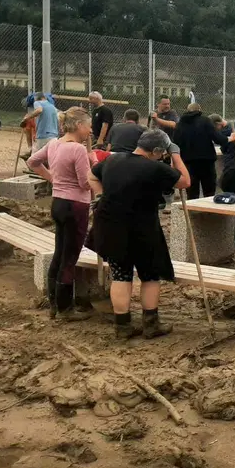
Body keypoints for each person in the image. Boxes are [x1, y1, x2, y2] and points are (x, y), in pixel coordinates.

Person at [87, 129, 191, 339]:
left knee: (121, 274)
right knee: (150, 274)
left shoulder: (113, 160)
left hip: (110, 224)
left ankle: (123, 326)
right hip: (142, 227)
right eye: (162, 153)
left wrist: (102, 195)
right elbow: (185, 182)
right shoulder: (155, 167)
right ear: (157, 151)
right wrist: (176, 154)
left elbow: (91, 175)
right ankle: (151, 324)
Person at [28, 107, 94, 321]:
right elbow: (84, 183)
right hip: (76, 205)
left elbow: (32, 162)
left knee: (59, 251)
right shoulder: (77, 150)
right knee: (70, 256)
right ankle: (66, 308)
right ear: (78, 125)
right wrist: (95, 166)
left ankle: (54, 304)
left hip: (58, 203)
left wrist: (52, 178)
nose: (90, 130)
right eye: (89, 126)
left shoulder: (54, 144)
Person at [172, 103, 235, 199]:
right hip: (206, 161)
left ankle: (193, 211)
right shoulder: (205, 121)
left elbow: (175, 143)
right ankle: (208, 211)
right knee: (209, 190)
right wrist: (230, 138)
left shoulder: (180, 124)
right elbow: (217, 138)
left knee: (192, 191)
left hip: (188, 162)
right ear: (199, 110)